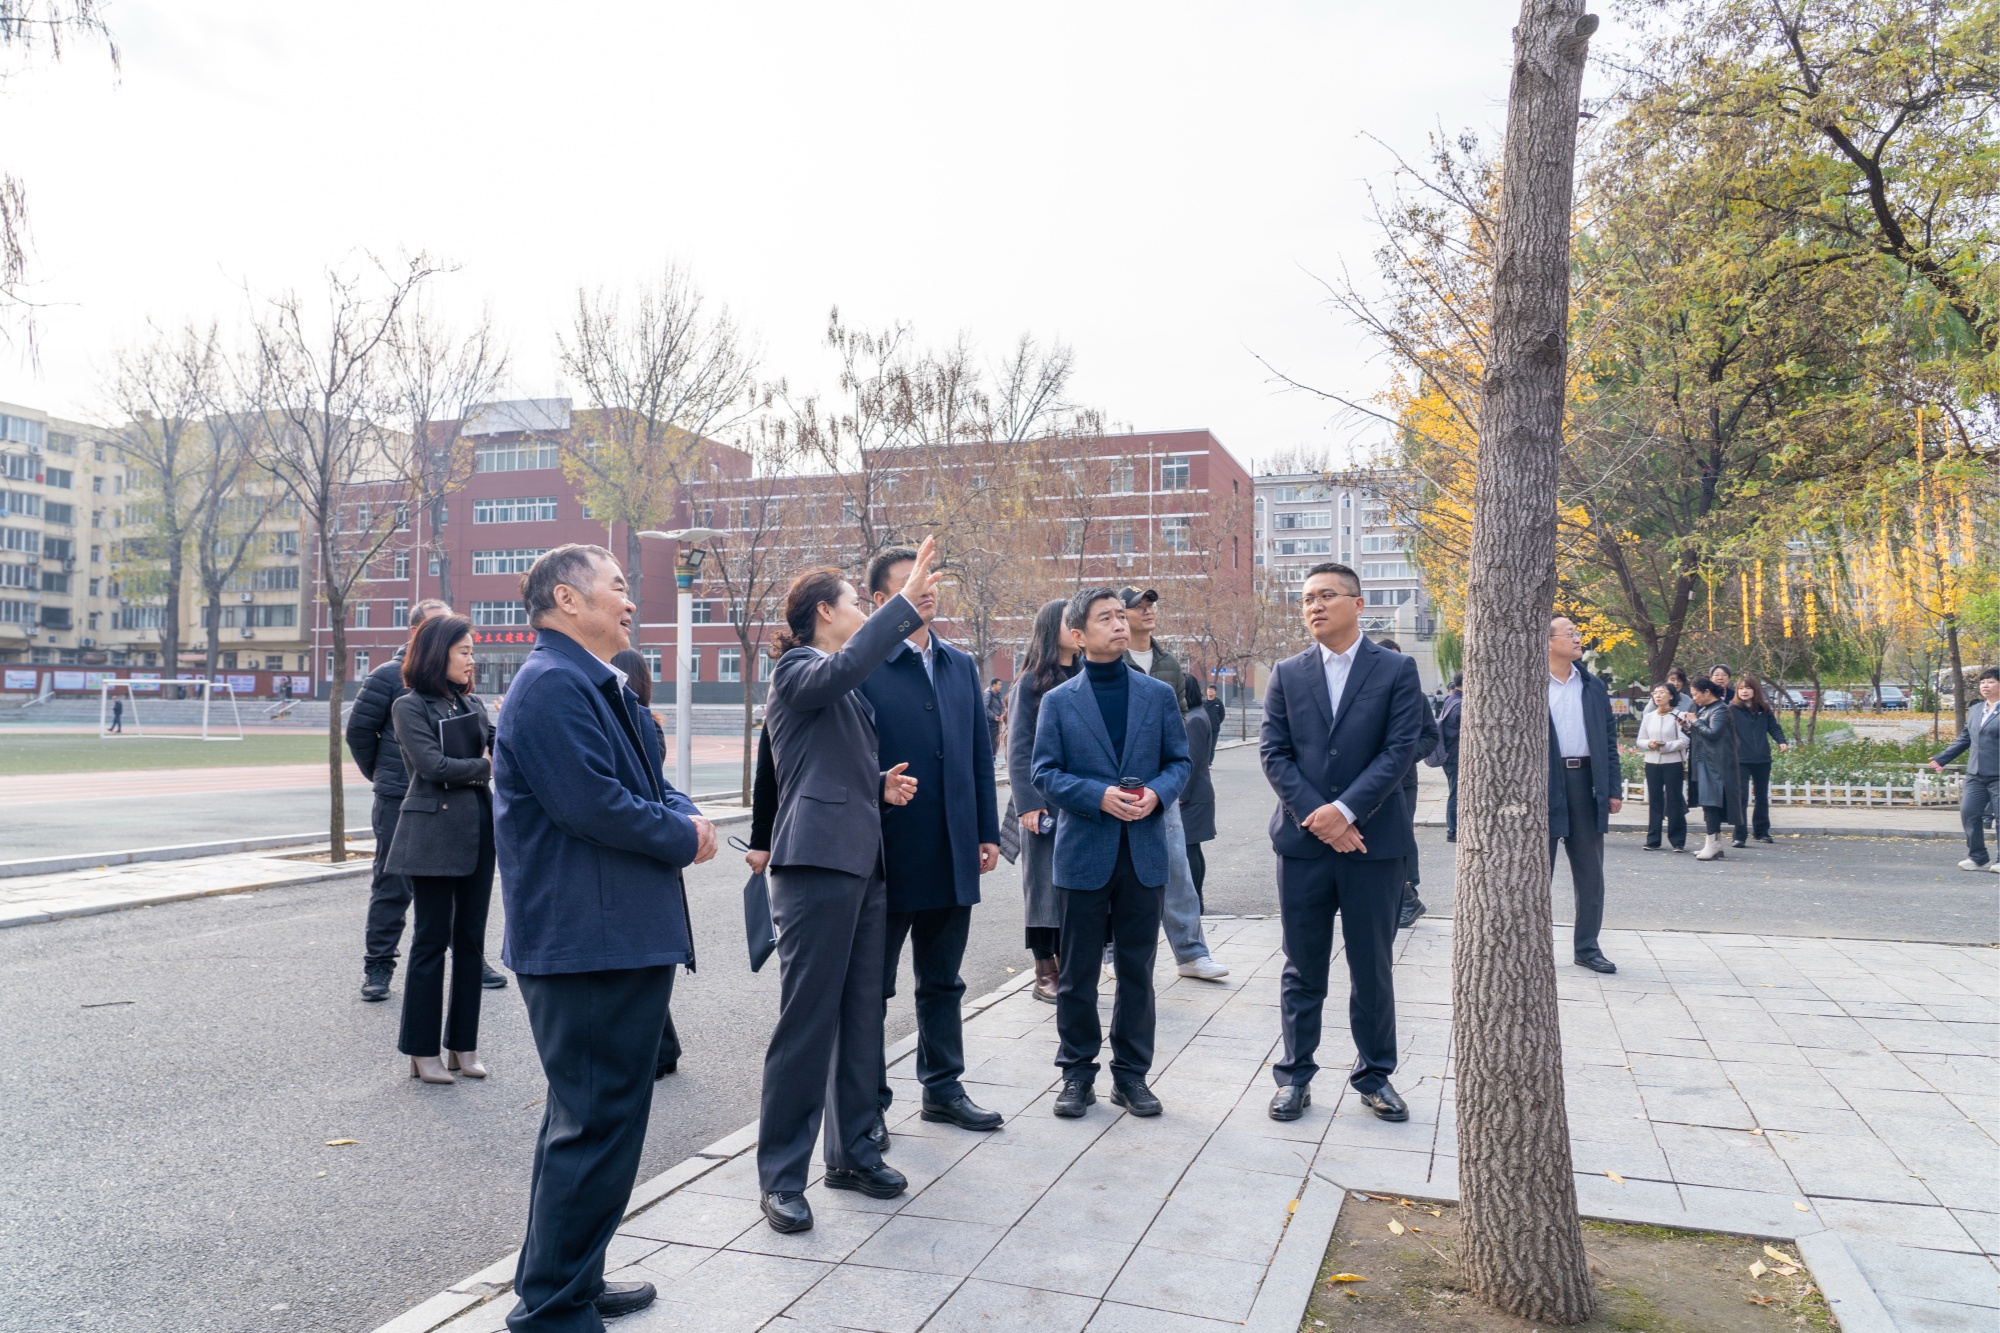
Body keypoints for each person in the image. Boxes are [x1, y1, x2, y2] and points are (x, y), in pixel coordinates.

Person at [494, 545, 717, 1330]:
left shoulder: (592, 681)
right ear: (566, 597)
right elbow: (594, 805)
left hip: (613, 935)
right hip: (588, 940)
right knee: (592, 1126)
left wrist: (683, 812)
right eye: (619, 586)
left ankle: (564, 1279)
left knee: (592, 1123)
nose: (631, 600)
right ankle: (553, 1308)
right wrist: (683, 835)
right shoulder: (553, 685)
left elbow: (645, 787)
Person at [755, 541, 941, 1235]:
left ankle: (854, 1152)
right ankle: (780, 1177)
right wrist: (901, 605)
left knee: (863, 1016)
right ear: (825, 612)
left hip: (864, 864)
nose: (864, 612)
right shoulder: (797, 669)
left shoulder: (841, 684)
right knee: (806, 1023)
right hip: (815, 867)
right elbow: (846, 668)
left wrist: (877, 785)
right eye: (859, 603)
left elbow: (822, 767)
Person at [1259, 562, 1425, 1124]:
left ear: (1358, 603)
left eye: (1326, 596)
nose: (1314, 606)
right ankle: (1295, 1076)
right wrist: (1317, 815)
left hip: (1372, 845)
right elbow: (1274, 754)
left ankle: (1375, 1075)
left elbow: (1400, 749)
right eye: (1306, 599)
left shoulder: (1396, 670)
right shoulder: (1287, 672)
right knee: (1301, 968)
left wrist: (1347, 811)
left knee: (1371, 966)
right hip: (1303, 845)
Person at [858, 547, 1003, 1139]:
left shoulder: (959, 663)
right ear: (878, 602)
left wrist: (986, 832)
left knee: (944, 980)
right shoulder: (861, 665)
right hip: (887, 853)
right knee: (874, 988)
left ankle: (943, 1088)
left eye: (930, 584)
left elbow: (976, 753)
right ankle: (867, 1105)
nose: (925, 594)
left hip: (951, 848)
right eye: (910, 585)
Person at [1031, 587, 1191, 1120]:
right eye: (1106, 618)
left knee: (1137, 970)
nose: (1119, 624)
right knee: (1077, 973)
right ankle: (1077, 1074)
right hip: (1083, 851)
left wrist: (1157, 794)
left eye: (1121, 616)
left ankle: (1131, 1076)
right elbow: (1043, 773)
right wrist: (1095, 796)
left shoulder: (1157, 696)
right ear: (1078, 636)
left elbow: (1180, 763)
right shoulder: (1058, 701)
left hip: (1143, 852)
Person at [346, 599, 505, 1002]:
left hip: (457, 799)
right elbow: (360, 734)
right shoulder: (388, 679)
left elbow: (487, 741)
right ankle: (379, 966)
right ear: (420, 634)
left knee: (455, 882)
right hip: (401, 797)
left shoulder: (461, 692)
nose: (461, 648)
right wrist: (387, 776)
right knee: (391, 884)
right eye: (442, 631)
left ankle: (469, 958)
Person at [384, 614, 496, 1085]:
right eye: (464, 651)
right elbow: (432, 766)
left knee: (470, 943)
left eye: (472, 652)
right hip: (432, 835)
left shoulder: (470, 703)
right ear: (438, 653)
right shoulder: (409, 706)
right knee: (430, 942)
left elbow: (496, 748)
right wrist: (482, 767)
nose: (472, 659)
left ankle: (462, 1047)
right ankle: (421, 1051)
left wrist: (481, 762)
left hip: (478, 833)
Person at [1120, 586, 1227, 982]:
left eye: (1150, 605)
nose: (1147, 611)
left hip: (1160, 784)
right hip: (1117, 784)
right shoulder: (1110, 659)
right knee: (1115, 873)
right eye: (1138, 606)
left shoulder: (1168, 663)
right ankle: (1113, 952)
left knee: (1178, 869)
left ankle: (1191, 953)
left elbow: (1179, 724)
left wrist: (1172, 779)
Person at [609, 647, 682, 1081]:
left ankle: (661, 1051)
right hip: (650, 841)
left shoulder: (639, 726)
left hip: (643, 843)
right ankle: (664, 1049)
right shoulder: (646, 724)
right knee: (646, 962)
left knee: (643, 962)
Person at [1007, 599, 1081, 1004]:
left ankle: (1072, 964)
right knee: (1042, 888)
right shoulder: (1030, 682)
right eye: (1072, 620)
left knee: (1077, 886)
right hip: (1043, 803)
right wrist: (1029, 804)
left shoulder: (1093, 673)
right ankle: (1045, 971)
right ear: (1053, 627)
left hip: (1082, 800)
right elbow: (1018, 749)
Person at [1547, 617, 1623, 974]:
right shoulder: (1528, 685)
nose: (1579, 639)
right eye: (1571, 634)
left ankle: (1587, 947)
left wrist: (1612, 789)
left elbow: (1609, 742)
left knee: (1591, 873)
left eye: (1578, 633)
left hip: (1585, 781)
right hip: (1543, 784)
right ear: (1547, 641)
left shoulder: (1592, 686)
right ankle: (1534, 946)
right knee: (1535, 873)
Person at [1375, 637, 1438, 930]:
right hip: (1367, 781)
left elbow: (1430, 737)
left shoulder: (1416, 697)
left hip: (1403, 782)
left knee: (1399, 837)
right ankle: (1400, 898)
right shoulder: (1364, 695)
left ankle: (1408, 895)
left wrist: (1402, 756)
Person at [1930, 667, 2000, 873]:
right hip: (1975, 773)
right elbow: (1965, 738)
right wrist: (1941, 758)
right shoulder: (1976, 709)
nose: (1985, 686)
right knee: (1969, 813)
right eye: (1982, 682)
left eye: (1990, 681)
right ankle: (1977, 857)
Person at [1684, 676, 1743, 862]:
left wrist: (1695, 722)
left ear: (1707, 692)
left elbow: (1713, 733)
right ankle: (1713, 844)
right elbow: (1703, 733)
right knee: (1709, 804)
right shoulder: (1706, 709)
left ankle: (1713, 844)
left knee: (1711, 804)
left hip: (1717, 765)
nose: (1693, 698)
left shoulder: (1720, 710)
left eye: (1695, 694)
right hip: (1707, 763)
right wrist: (1688, 726)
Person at [1730, 675, 1789, 847]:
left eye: (1748, 688)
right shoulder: (1731, 709)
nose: (1744, 691)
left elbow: (1774, 728)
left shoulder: (1764, 709)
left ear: (1755, 691)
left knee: (1762, 797)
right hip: (1741, 759)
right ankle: (1739, 835)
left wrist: (1781, 741)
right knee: (1741, 797)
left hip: (1762, 759)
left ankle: (1761, 832)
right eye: (1741, 688)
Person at [1637, 683, 1689, 852]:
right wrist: (1649, 744)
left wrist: (1666, 746)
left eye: (1662, 693)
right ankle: (1653, 839)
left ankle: (1678, 841)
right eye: (1655, 693)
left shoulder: (1679, 715)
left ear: (1671, 696)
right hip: (1652, 762)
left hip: (1673, 762)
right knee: (1655, 801)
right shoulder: (1649, 716)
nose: (1658, 696)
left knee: (1674, 800)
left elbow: (1685, 740)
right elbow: (1640, 740)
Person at [1179, 676, 1216, 910]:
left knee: (1188, 848)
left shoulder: (1193, 720)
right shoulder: (1198, 715)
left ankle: (1195, 901)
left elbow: (1190, 762)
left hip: (1192, 796)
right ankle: (1197, 899)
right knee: (1193, 848)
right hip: (1199, 794)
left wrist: (1180, 794)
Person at [1438, 672, 1463, 842]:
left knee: (1455, 792)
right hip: (1455, 756)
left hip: (1448, 755)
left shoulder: (1451, 699)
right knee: (1456, 794)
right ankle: (1453, 831)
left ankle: (1454, 829)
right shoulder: (1460, 705)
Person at [985, 676, 1008, 754]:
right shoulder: (988, 694)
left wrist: (1002, 715)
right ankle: (992, 759)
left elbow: (1002, 706)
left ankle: (994, 758)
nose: (1001, 686)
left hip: (997, 722)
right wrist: (994, 716)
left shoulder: (998, 694)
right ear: (993, 685)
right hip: (990, 722)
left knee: (996, 742)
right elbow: (985, 708)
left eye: (1001, 684)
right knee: (992, 741)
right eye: (999, 684)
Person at [1204, 682, 1226, 756]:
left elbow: (1222, 715)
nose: (1210, 691)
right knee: (1203, 746)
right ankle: (1203, 763)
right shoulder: (1203, 702)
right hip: (1203, 728)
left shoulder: (1218, 703)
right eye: (1209, 689)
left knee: (1211, 747)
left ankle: (1209, 763)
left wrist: (1216, 722)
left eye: (1212, 690)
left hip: (1214, 728)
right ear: (1206, 691)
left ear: (1215, 692)